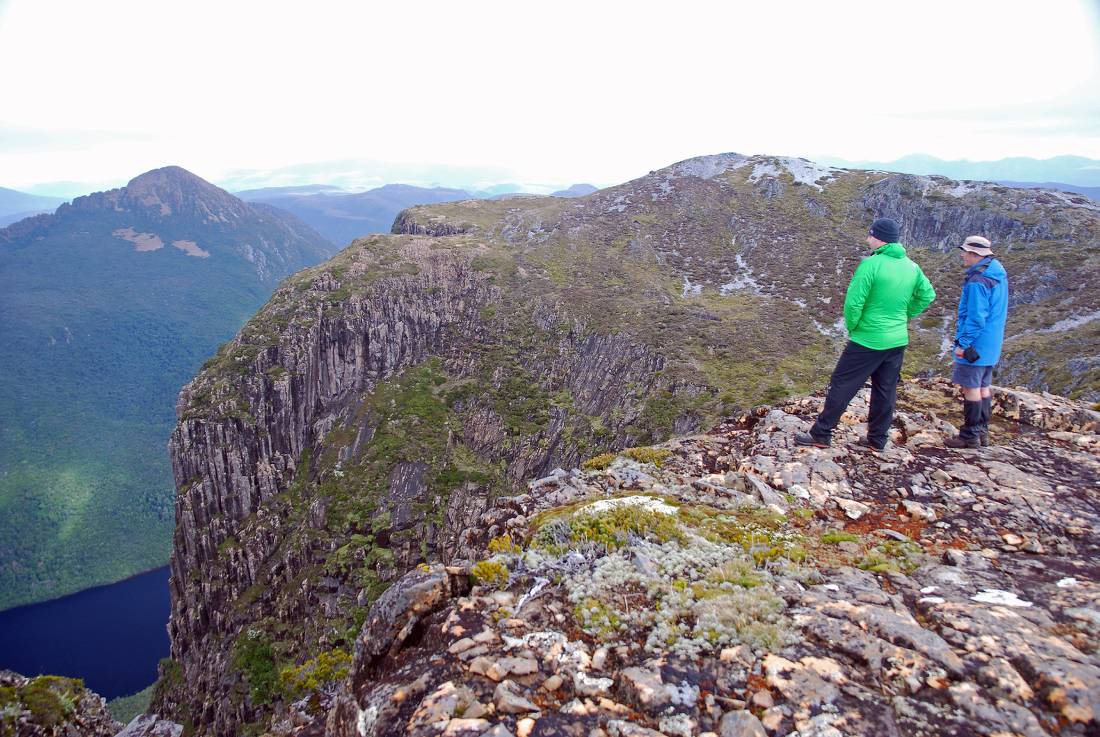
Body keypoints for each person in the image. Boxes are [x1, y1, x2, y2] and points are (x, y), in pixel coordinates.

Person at [795, 217, 936, 450]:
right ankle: (877, 440)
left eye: (870, 235)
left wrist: (855, 327)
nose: (867, 239)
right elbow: (927, 295)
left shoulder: (871, 265)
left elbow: (853, 303)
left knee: (842, 383)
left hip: (868, 338)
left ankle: (822, 433)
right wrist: (905, 315)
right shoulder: (912, 266)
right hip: (897, 339)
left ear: (879, 238)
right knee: (885, 389)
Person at [944, 235, 1008, 449]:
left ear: (975, 254)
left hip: (976, 345)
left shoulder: (977, 281)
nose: (962, 255)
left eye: (965, 252)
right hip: (992, 342)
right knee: (983, 386)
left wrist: (963, 343)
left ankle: (969, 435)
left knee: (970, 387)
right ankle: (982, 432)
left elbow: (975, 317)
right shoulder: (997, 271)